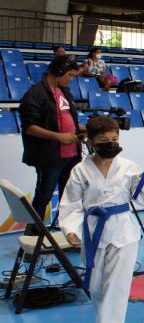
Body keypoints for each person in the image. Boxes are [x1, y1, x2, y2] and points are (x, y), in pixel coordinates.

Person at [59, 116, 144, 323]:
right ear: (90, 142)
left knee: (116, 288)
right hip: (92, 232)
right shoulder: (80, 170)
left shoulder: (129, 167)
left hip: (123, 231)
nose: (110, 144)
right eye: (103, 141)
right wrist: (70, 230)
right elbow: (70, 204)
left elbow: (141, 200)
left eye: (114, 139)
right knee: (96, 287)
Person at [18, 55, 83, 235]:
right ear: (59, 72)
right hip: (50, 156)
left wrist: (82, 129)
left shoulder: (65, 91)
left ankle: (68, 233)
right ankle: (32, 237)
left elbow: (68, 119)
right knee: (43, 197)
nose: (72, 79)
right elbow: (30, 127)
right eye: (70, 75)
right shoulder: (35, 94)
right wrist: (58, 137)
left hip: (71, 155)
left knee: (69, 197)